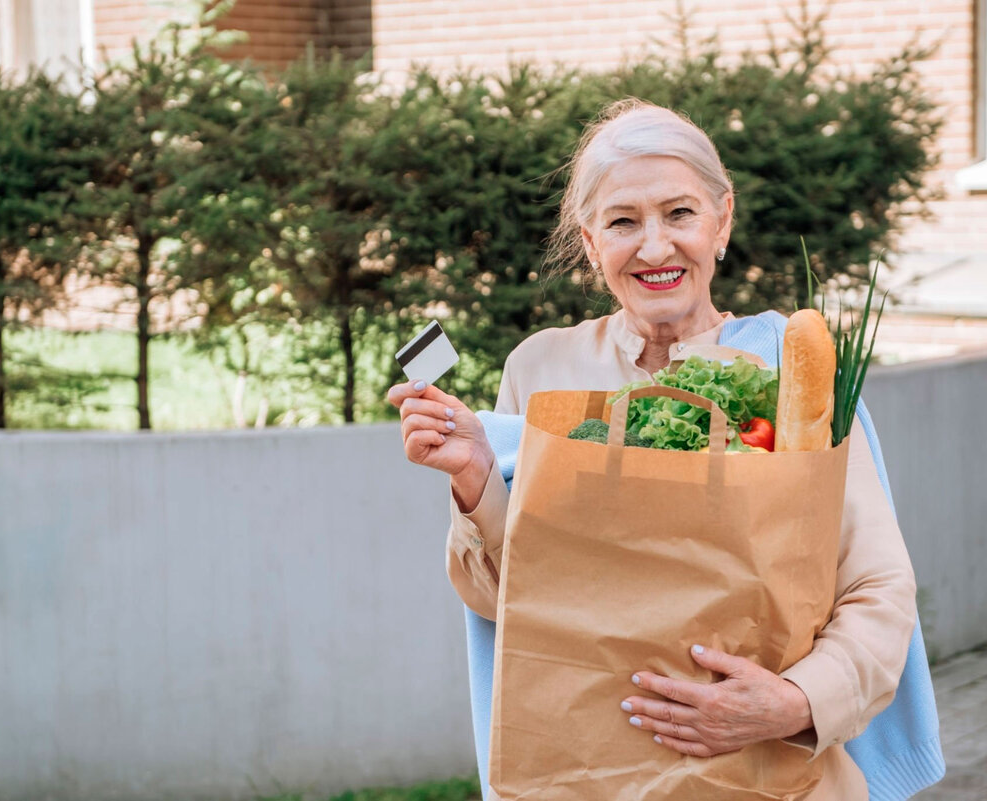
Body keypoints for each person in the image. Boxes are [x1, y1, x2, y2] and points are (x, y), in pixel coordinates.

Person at [387, 99, 919, 800]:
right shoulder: (541, 370)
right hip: (591, 774)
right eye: (623, 222)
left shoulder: (797, 373)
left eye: (680, 213)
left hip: (774, 775)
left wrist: (795, 702)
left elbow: (877, 589)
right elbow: (508, 603)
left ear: (722, 220)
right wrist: (478, 480)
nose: (656, 247)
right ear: (589, 240)